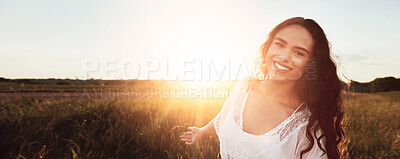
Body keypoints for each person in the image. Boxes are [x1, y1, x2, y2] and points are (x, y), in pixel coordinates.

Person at [180, 17, 344, 159]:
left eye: (299, 53)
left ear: (311, 64)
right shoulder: (244, 87)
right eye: (279, 44)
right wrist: (201, 132)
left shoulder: (308, 128)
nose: (284, 56)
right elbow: (223, 118)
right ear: (268, 47)